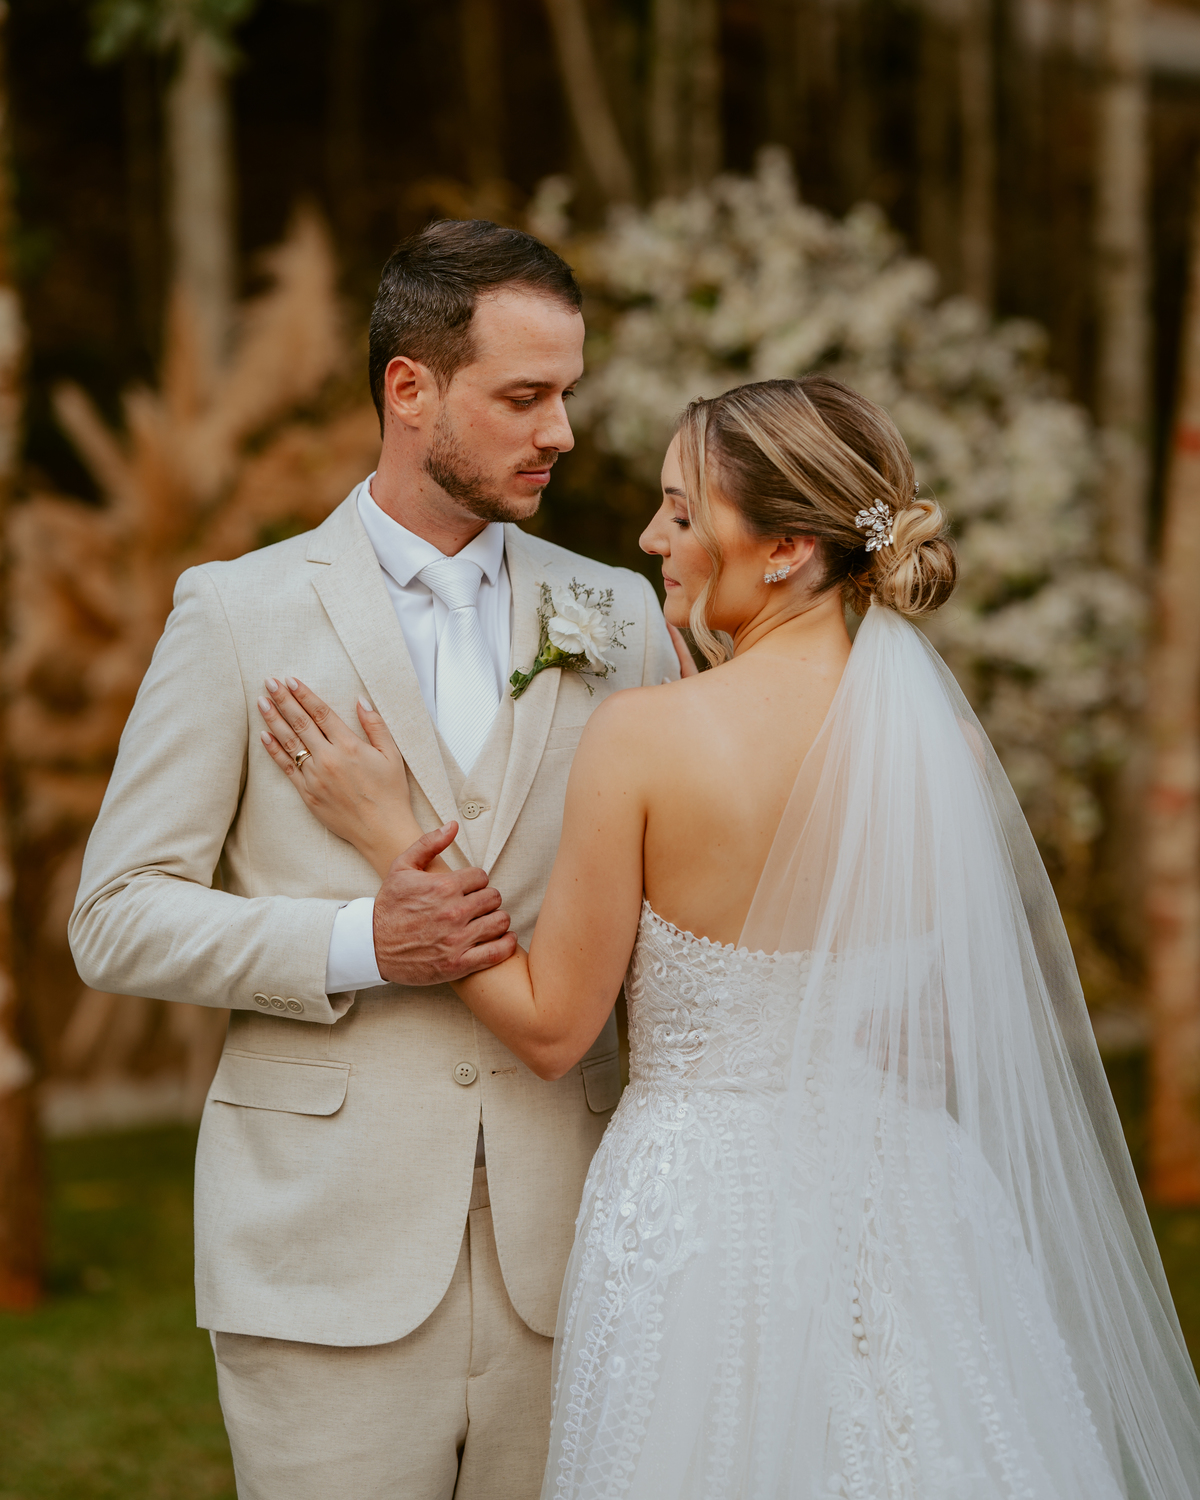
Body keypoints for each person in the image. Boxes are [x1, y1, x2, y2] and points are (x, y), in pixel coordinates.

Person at [258, 374, 1200, 1498]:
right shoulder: (938, 736)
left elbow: (554, 1027)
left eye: (685, 513)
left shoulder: (648, 737)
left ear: (790, 549)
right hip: (910, 1198)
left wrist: (392, 833)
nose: (654, 535)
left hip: (702, 1215)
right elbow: (933, 1028)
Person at [68, 219, 680, 1499]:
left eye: (568, 392)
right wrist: (360, 942)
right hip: (318, 1257)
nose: (560, 430)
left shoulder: (620, 613)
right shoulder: (236, 613)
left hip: (569, 1257)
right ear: (411, 389)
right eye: (524, 396)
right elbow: (116, 916)